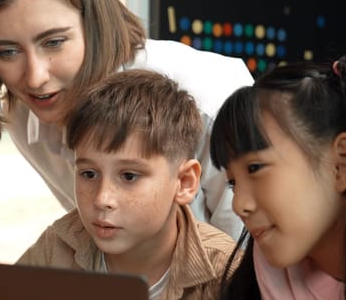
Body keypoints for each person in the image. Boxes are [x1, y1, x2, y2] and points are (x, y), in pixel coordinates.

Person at [0, 0, 252, 241]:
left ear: (94, 24)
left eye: (54, 42)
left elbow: (248, 263)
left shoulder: (211, 100)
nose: (35, 77)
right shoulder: (25, 113)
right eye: (7, 52)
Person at [17, 69, 237, 299]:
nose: (102, 199)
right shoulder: (55, 251)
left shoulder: (227, 274)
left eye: (129, 176)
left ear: (184, 182)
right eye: (89, 174)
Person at [209, 54, 346, 299]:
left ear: (343, 164)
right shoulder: (264, 278)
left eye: (255, 168)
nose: (239, 205)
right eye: (233, 183)